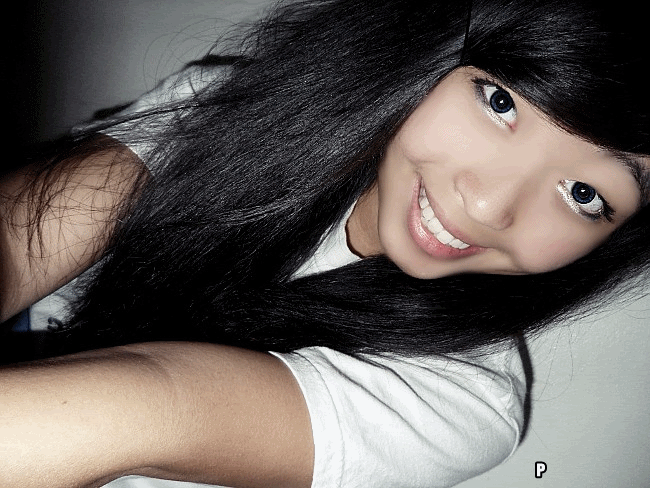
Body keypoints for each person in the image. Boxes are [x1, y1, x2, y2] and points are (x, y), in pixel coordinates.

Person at [0, 1, 648, 487]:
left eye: (584, 194)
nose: (487, 206)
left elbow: (146, 406)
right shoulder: (242, 108)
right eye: (500, 102)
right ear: (433, 51)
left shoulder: (459, 401)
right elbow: (21, 237)